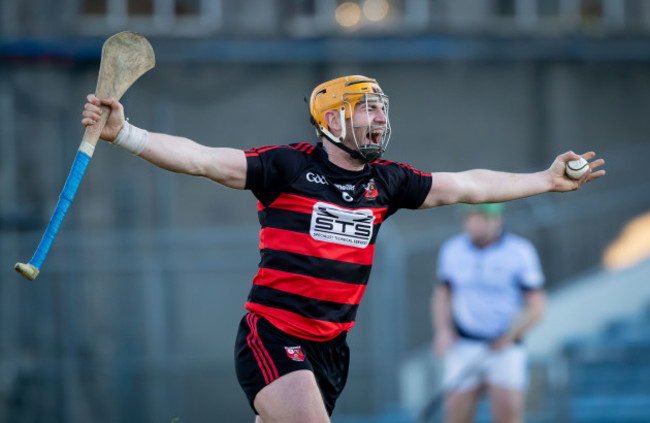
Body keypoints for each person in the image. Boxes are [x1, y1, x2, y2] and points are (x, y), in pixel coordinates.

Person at [81, 75, 605, 423]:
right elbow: (200, 158)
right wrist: (125, 132)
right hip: (275, 333)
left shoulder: (390, 182)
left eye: (381, 110)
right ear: (332, 120)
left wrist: (545, 179)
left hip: (333, 349)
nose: (379, 120)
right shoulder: (286, 167)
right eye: (366, 111)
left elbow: (470, 184)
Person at [431, 203, 546, 423]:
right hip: (463, 346)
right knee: (455, 415)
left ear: (497, 220)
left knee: (508, 414)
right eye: (469, 217)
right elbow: (442, 295)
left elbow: (536, 306)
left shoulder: (520, 251)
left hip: (505, 349)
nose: (473, 223)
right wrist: (443, 331)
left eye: (480, 217)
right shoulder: (452, 250)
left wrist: (510, 336)